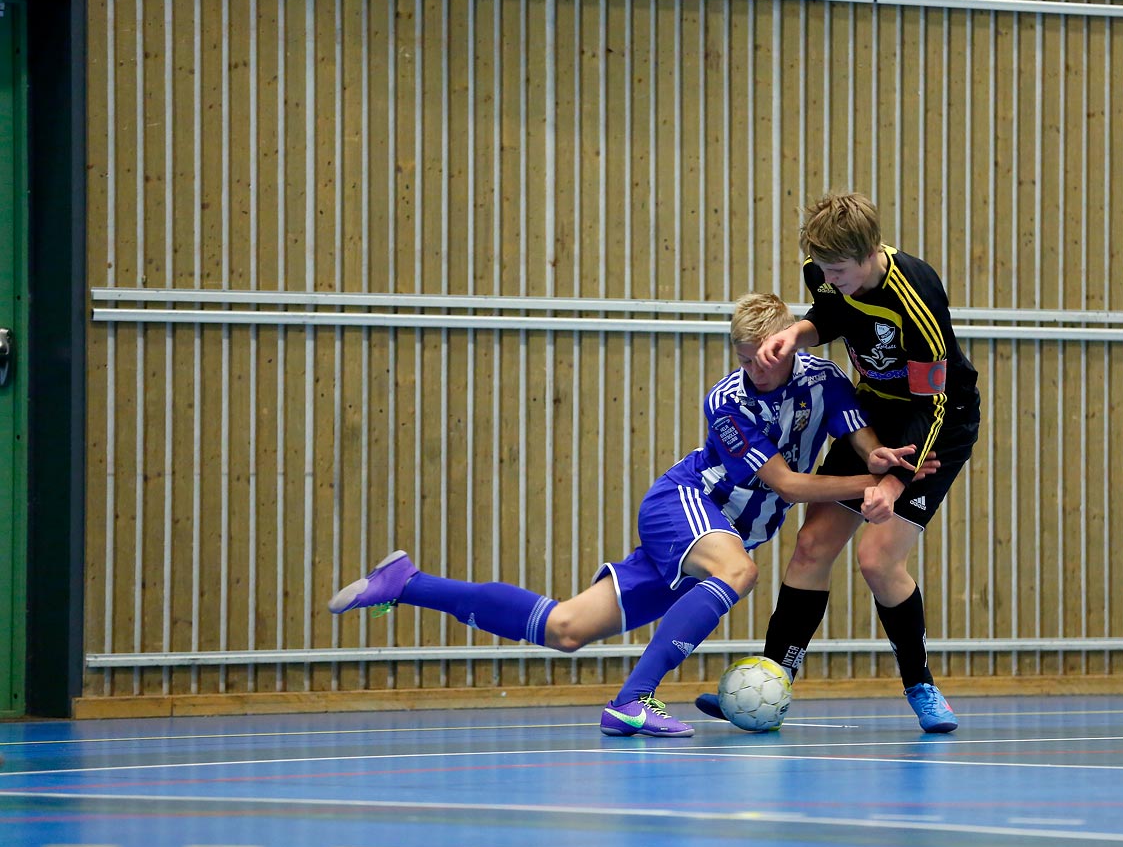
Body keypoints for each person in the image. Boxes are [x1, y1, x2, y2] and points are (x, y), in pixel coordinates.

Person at [328, 292, 933, 738]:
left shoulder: (825, 382)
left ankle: (407, 582)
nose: (757, 369)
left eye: (766, 356)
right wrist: (873, 484)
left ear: (791, 341)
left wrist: (885, 467)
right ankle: (634, 700)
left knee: (564, 629)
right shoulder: (727, 401)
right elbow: (789, 483)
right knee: (740, 572)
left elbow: (860, 438)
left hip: (712, 532)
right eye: (746, 358)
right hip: (684, 506)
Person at [694, 192, 981, 733]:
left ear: (871, 252)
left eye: (840, 270)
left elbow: (932, 402)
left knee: (876, 559)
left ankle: (920, 684)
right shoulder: (822, 269)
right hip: (873, 416)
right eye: (822, 268)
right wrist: (794, 335)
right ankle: (772, 679)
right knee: (811, 545)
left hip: (936, 423)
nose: (829, 276)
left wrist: (895, 481)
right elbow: (830, 314)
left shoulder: (917, 297)